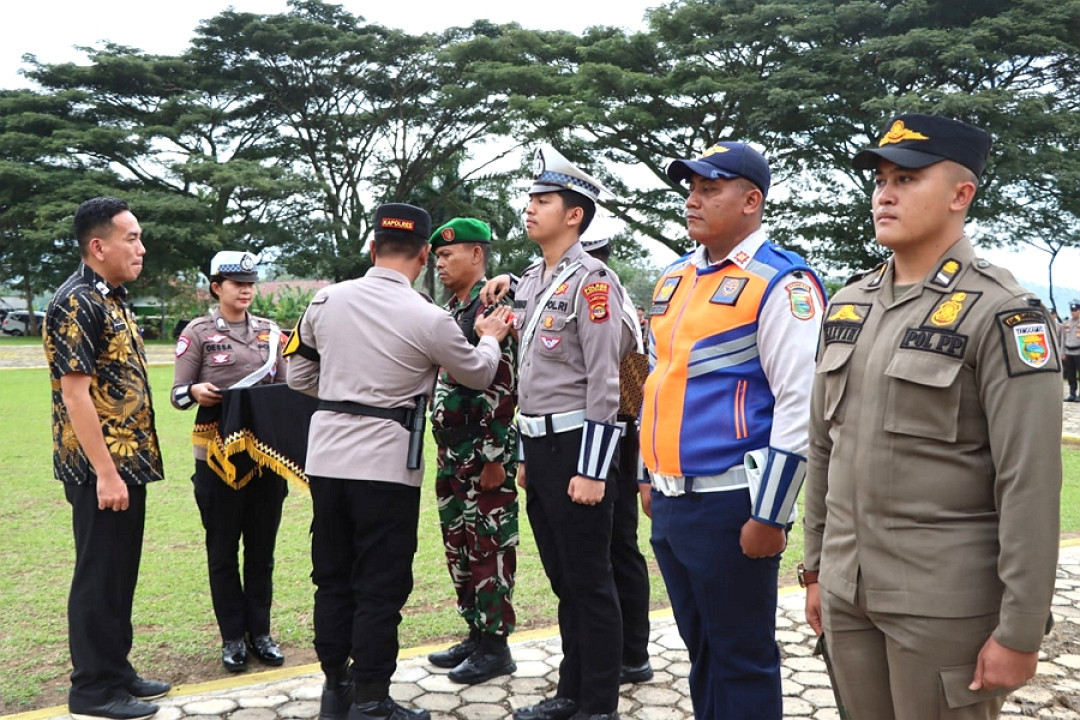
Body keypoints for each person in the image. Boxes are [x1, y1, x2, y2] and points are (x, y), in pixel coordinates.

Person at [803, 113, 1062, 719]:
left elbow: (1028, 481)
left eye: (907, 178)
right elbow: (823, 448)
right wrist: (816, 570)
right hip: (848, 591)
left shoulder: (1002, 313)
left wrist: (1021, 630)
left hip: (943, 606)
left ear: (960, 194)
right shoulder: (848, 304)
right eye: (881, 179)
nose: (884, 193)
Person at [286, 203, 513, 720]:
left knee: (332, 576)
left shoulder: (325, 299)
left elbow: (298, 375)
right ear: (424, 253)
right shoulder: (426, 315)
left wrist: (347, 389)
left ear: (372, 248)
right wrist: (490, 338)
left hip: (326, 459)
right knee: (379, 584)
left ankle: (334, 689)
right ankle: (371, 698)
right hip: (386, 464)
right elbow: (478, 373)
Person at [639, 142, 825, 720]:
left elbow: (802, 404)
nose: (693, 200)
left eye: (709, 189)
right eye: (690, 188)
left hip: (733, 506)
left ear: (751, 201)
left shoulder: (782, 282)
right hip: (671, 505)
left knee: (742, 658)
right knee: (702, 654)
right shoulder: (674, 277)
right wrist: (645, 475)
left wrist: (770, 516)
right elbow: (648, 379)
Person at [505, 146, 628, 720]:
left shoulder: (594, 283)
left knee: (591, 582)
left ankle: (598, 702)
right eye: (531, 199)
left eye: (543, 201)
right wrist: (529, 451)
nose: (530, 209)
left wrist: (593, 469)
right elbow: (533, 375)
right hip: (543, 446)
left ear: (574, 214)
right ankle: (571, 692)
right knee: (563, 579)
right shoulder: (535, 277)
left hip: (581, 447)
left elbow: (605, 381)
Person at [43, 197, 171, 720]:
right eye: (132, 238)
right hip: (102, 469)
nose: (141, 248)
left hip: (125, 465)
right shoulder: (76, 302)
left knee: (119, 572)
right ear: (99, 246)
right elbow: (76, 395)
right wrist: (106, 472)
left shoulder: (110, 296)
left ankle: (117, 671)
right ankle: (93, 689)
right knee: (99, 573)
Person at [170, 251, 289, 673]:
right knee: (222, 551)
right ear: (216, 287)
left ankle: (261, 633)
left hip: (262, 457)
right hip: (216, 457)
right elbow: (177, 394)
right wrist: (198, 391)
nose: (245, 290)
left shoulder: (271, 333)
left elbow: (286, 390)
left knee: (262, 549)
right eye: (235, 282)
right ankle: (232, 638)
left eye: (250, 282)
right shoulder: (198, 333)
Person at [424, 218, 520, 685]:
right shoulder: (454, 307)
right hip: (452, 452)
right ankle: (476, 634)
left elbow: (505, 387)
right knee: (459, 546)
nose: (440, 263)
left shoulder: (496, 305)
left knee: (489, 546)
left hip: (483, 453)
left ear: (477, 256)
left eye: (449, 255)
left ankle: (496, 645)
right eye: (437, 256)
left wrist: (495, 458)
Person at [1061, 300, 1080, 401]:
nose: (1073, 312)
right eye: (1072, 310)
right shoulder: (1066, 323)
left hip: (1078, 352)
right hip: (1069, 352)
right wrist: (1062, 352)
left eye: (1075, 310)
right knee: (1070, 374)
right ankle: (1072, 393)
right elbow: (1063, 339)